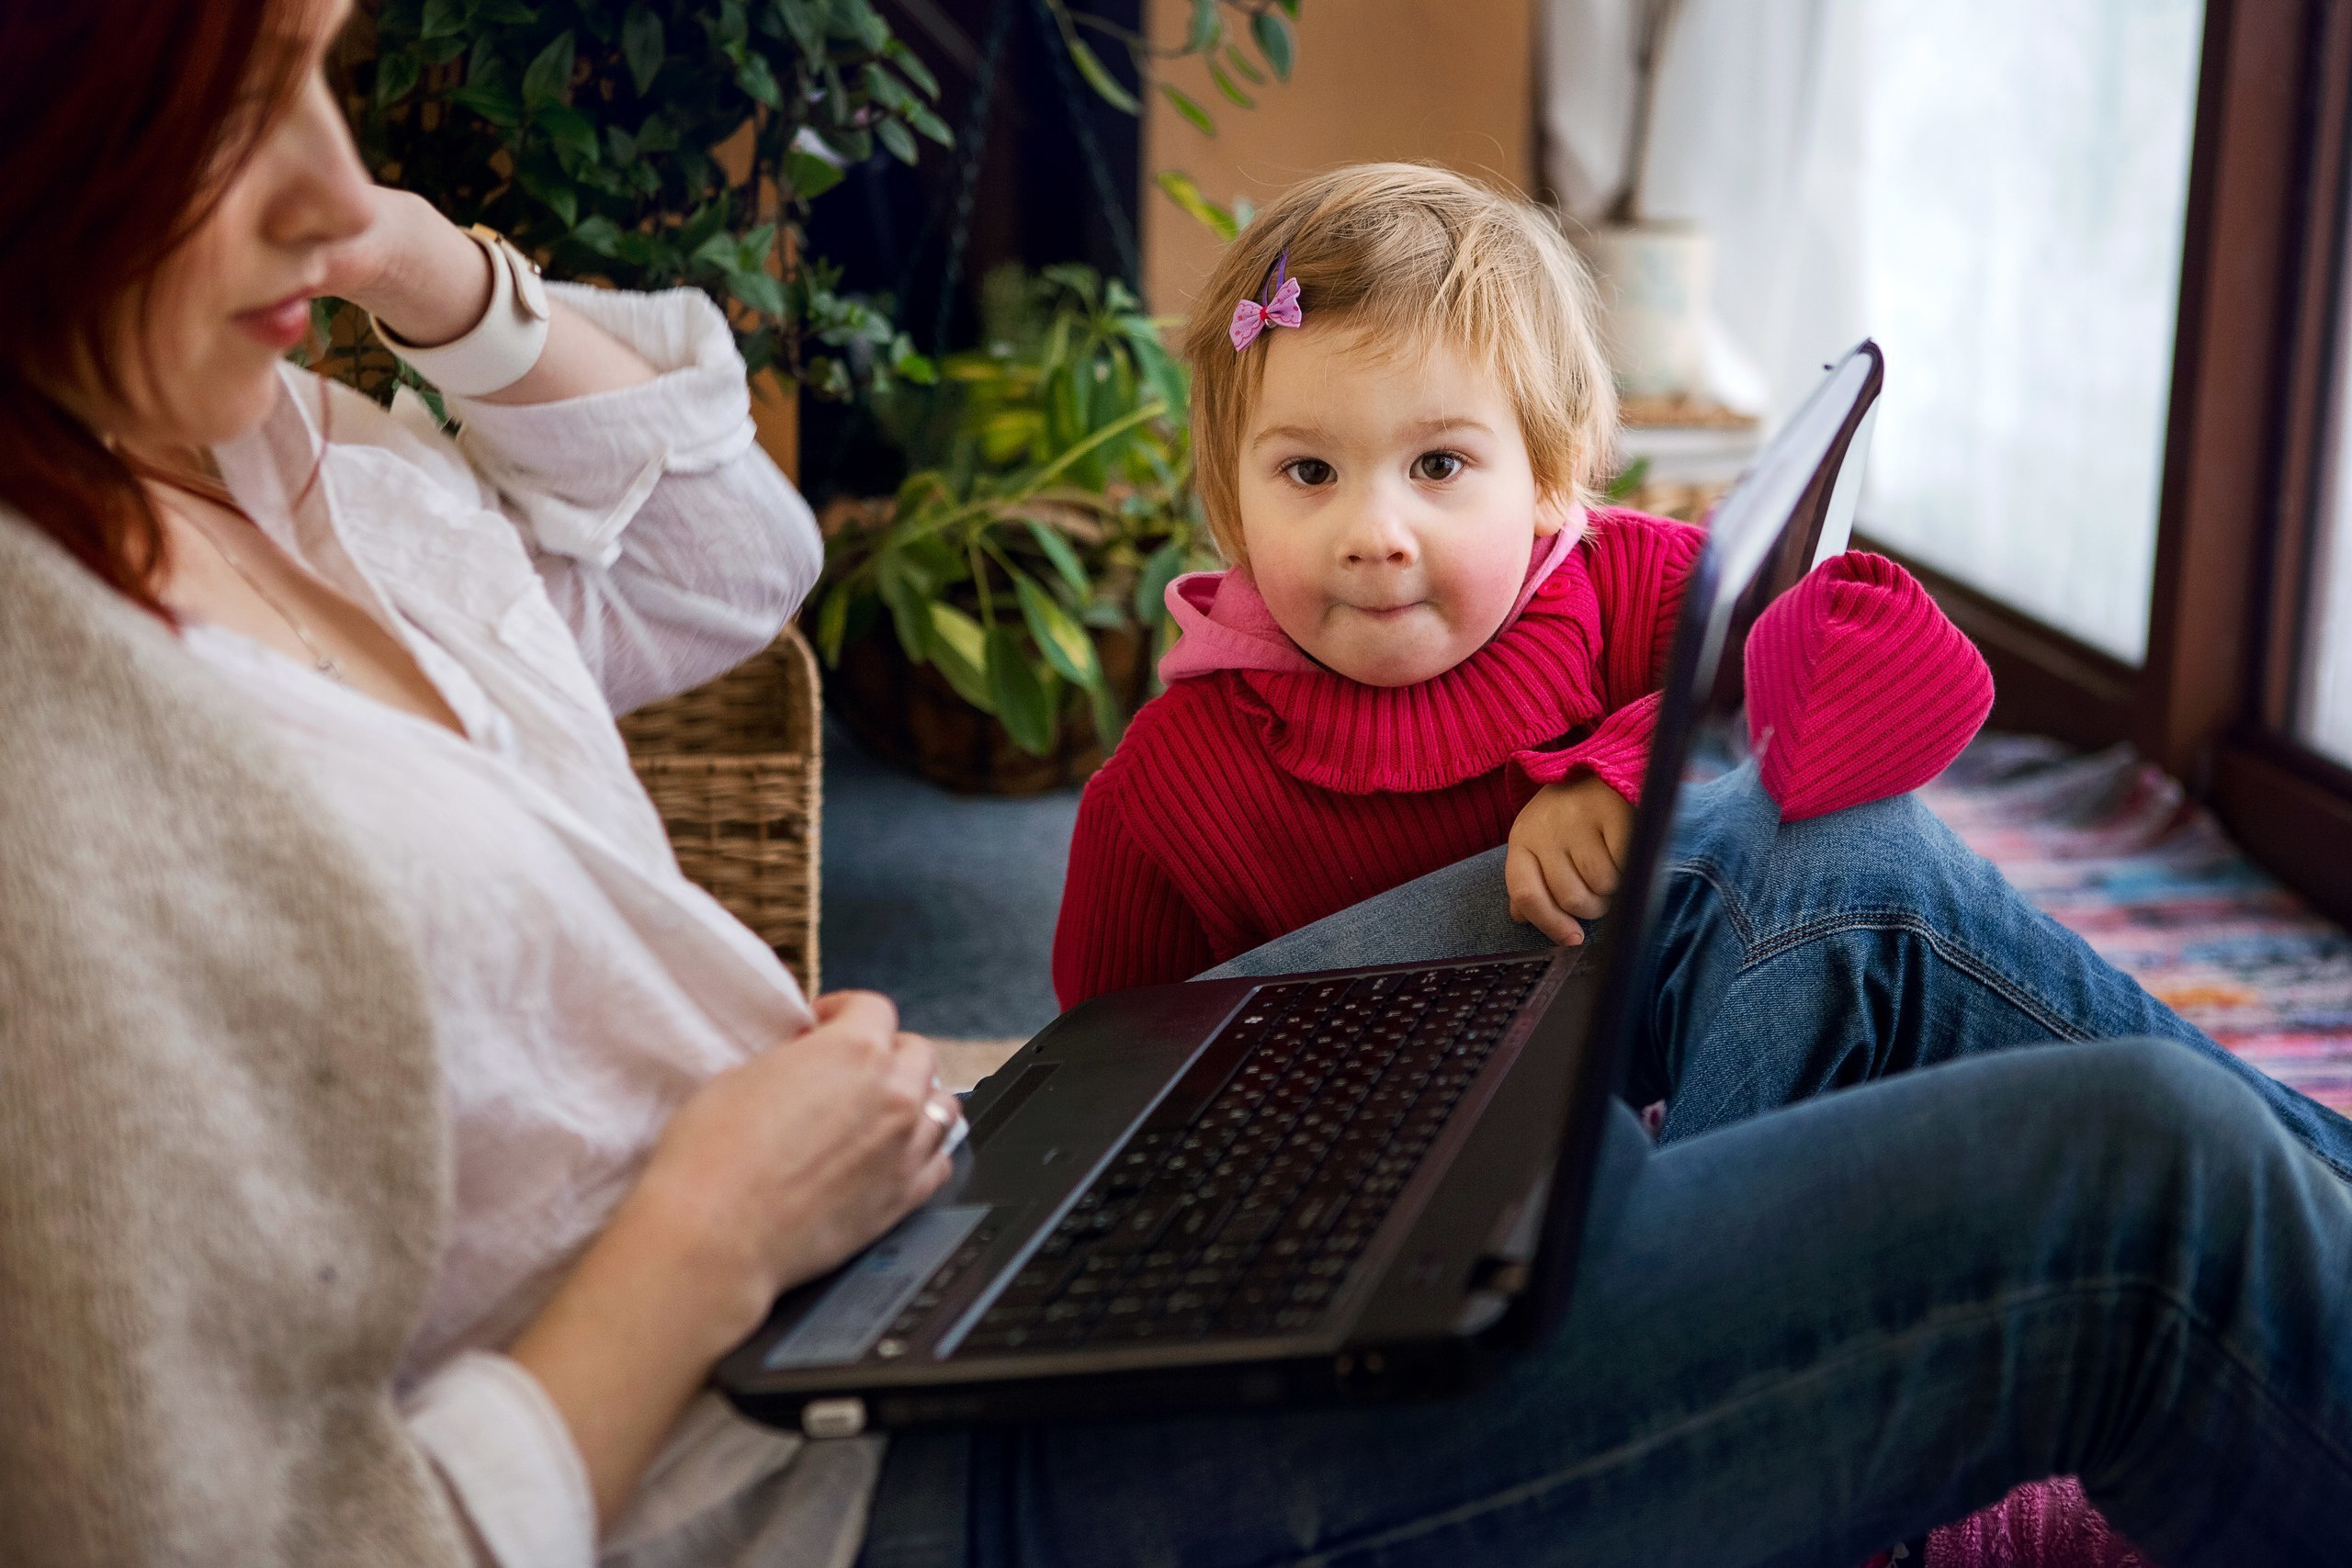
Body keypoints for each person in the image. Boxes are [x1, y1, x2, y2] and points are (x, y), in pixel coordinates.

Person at [4, 5, 2351, 1567]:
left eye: (325, 74)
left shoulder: (293, 448)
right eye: (241, 107)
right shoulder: (58, 741)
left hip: (921, 1223)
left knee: (1793, 863)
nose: (329, 187)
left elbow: (729, 553)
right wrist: (698, 1232)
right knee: (2135, 1180)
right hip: (857, 1484)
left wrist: (435, 274)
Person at [1052, 164, 1993, 1009]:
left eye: (1438, 465)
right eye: (1309, 473)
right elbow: (1100, 1070)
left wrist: (1632, 772)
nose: (1374, 537)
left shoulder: (1635, 589)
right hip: (1371, 1135)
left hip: (1653, 1099)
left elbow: (1933, 684)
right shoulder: (1164, 795)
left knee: (1863, 855)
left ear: (1551, 475)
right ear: (1230, 502)